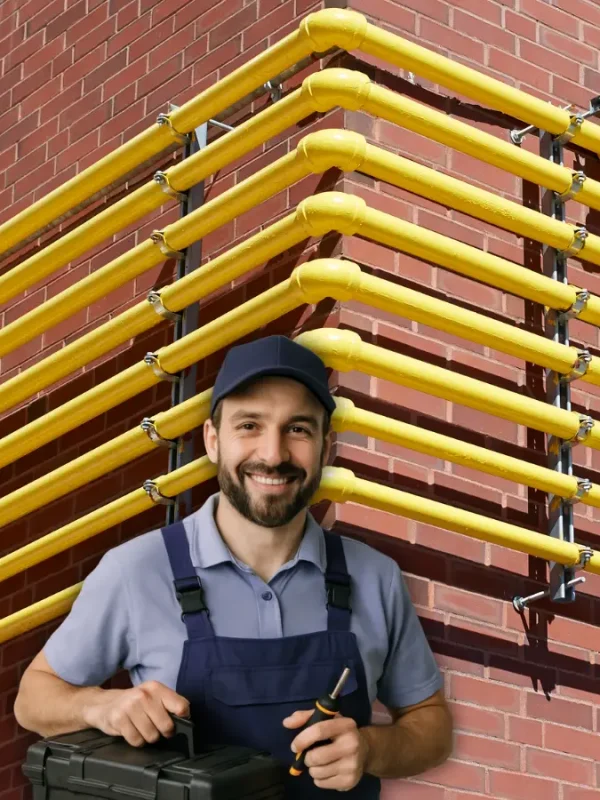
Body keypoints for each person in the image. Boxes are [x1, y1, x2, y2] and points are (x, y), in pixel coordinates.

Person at [14, 335, 452, 797]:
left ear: (326, 448)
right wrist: (98, 706)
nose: (273, 454)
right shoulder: (136, 570)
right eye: (249, 425)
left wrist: (371, 748)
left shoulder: (375, 577)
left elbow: (432, 724)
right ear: (212, 441)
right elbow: (33, 699)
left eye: (299, 429)